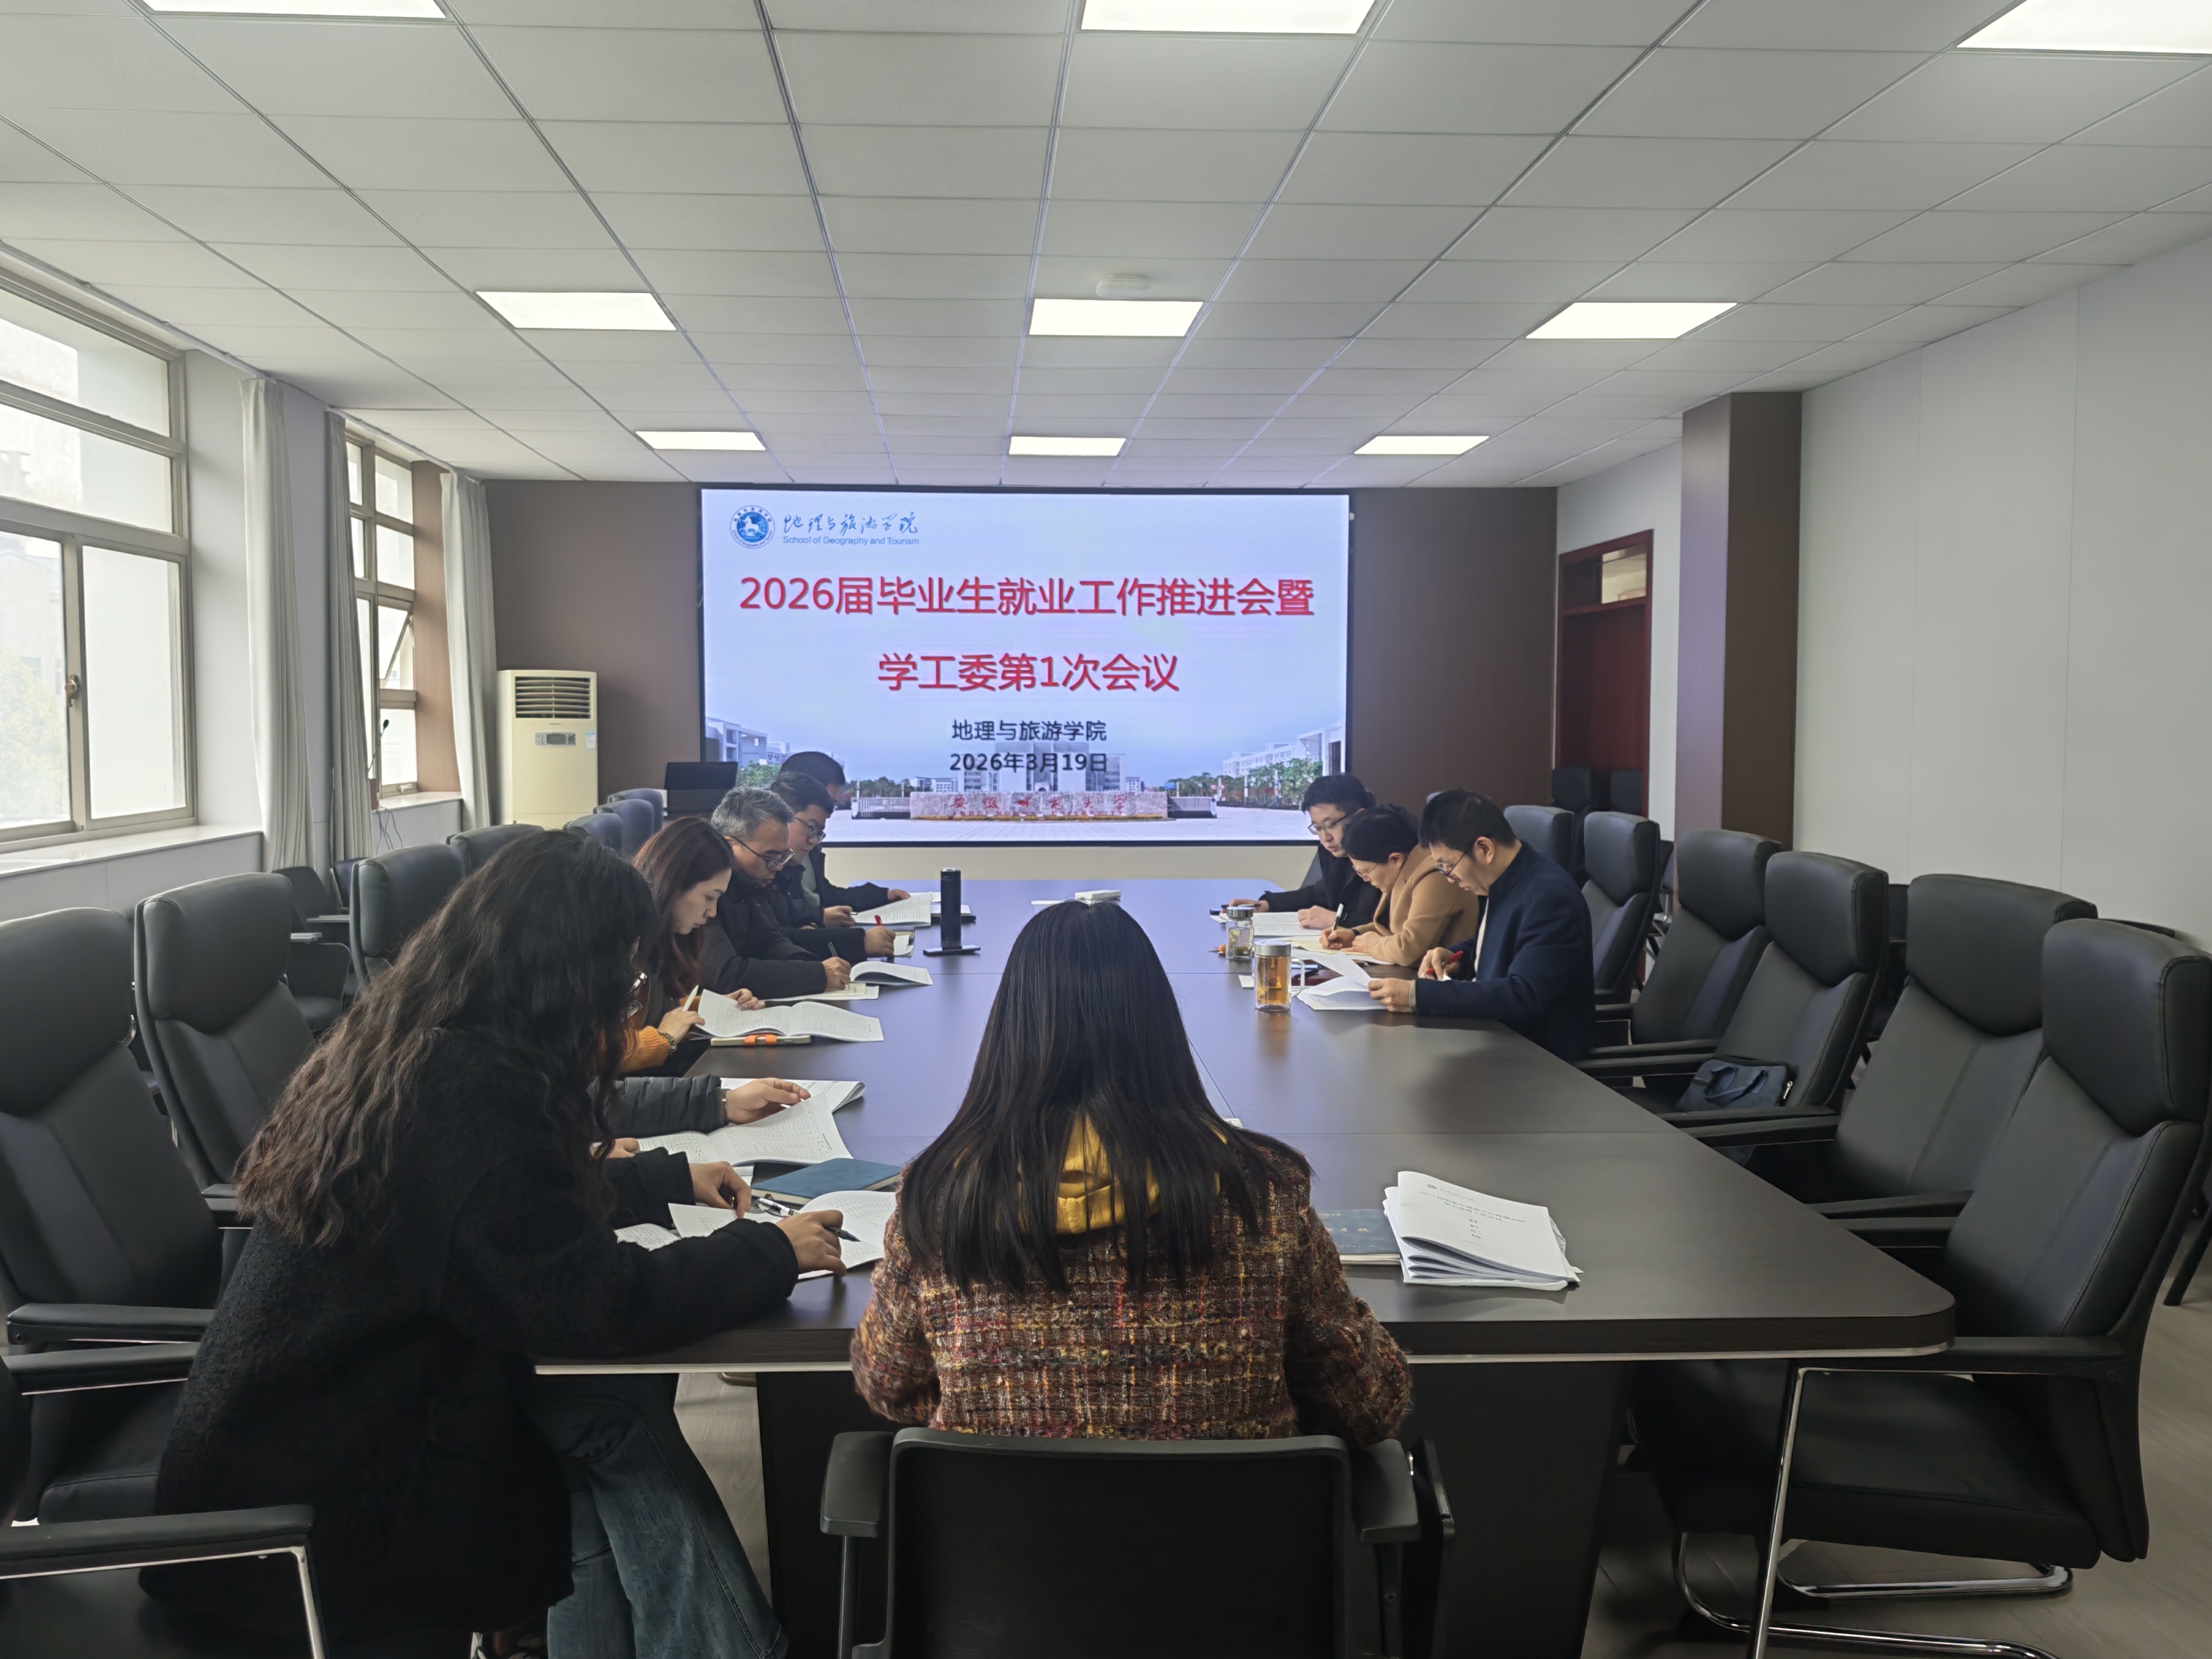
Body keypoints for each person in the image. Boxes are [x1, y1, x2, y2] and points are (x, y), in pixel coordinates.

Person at [148, 832, 846, 1659]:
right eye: (621, 976)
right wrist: (772, 1252)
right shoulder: (470, 1096)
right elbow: (596, 1303)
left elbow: (490, 1212)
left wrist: (660, 1178)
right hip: (318, 1506)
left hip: (317, 1417)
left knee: (609, 1414)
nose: (627, 997)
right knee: (608, 1410)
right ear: (566, 974)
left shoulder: (423, 1042)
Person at [852, 901, 1410, 1444]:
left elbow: (888, 1384)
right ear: (1158, 1025)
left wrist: (994, 1413)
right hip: (1234, 1510)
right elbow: (1366, 1406)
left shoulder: (942, 1193)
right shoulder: (1260, 1191)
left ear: (1010, 1027)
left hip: (995, 1509)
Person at [617, 815, 813, 1135]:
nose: (713, 912)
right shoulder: (625, 944)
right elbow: (600, 1052)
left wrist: (709, 1007)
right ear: (674, 884)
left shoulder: (663, 940)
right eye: (709, 897)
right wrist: (663, 1039)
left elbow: (657, 1009)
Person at [1367, 790, 1595, 1061]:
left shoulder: (1549, 898)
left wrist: (1418, 995)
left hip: (1537, 1057)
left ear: (1484, 849)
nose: (1449, 878)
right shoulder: (1507, 878)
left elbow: (1525, 995)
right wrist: (1457, 956)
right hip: (1495, 1034)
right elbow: (1506, 941)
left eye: (1448, 866)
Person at [699, 786, 852, 998]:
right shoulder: (702, 891)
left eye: (782, 857)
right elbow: (725, 975)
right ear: (730, 846)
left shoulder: (750, 883)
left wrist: (815, 967)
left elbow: (770, 941)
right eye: (769, 857)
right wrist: (816, 975)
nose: (779, 867)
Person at [1317, 804, 1480, 968]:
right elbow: (1389, 929)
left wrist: (1373, 945)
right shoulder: (1403, 870)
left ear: (1395, 859)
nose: (1366, 879)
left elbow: (1407, 949)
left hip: (1445, 976)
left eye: (1365, 872)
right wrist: (1354, 934)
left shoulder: (1435, 875)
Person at [766, 772, 896, 960]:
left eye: (819, 832)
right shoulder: (762, 870)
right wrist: (858, 942)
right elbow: (772, 940)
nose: (813, 840)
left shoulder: (794, 861)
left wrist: (881, 895)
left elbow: (818, 900)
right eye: (811, 827)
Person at [1223, 773, 1380, 929]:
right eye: (1318, 828)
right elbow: (1319, 895)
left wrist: (1337, 920)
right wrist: (1268, 904)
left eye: (1331, 825)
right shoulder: (1336, 852)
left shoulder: (1384, 854)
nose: (1325, 838)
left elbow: (1388, 923)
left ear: (1360, 816)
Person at [776, 751, 909, 915]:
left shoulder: (809, 842)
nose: (830, 811)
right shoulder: (771, 858)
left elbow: (825, 896)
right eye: (830, 802)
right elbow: (783, 916)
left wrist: (882, 896)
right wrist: (820, 918)